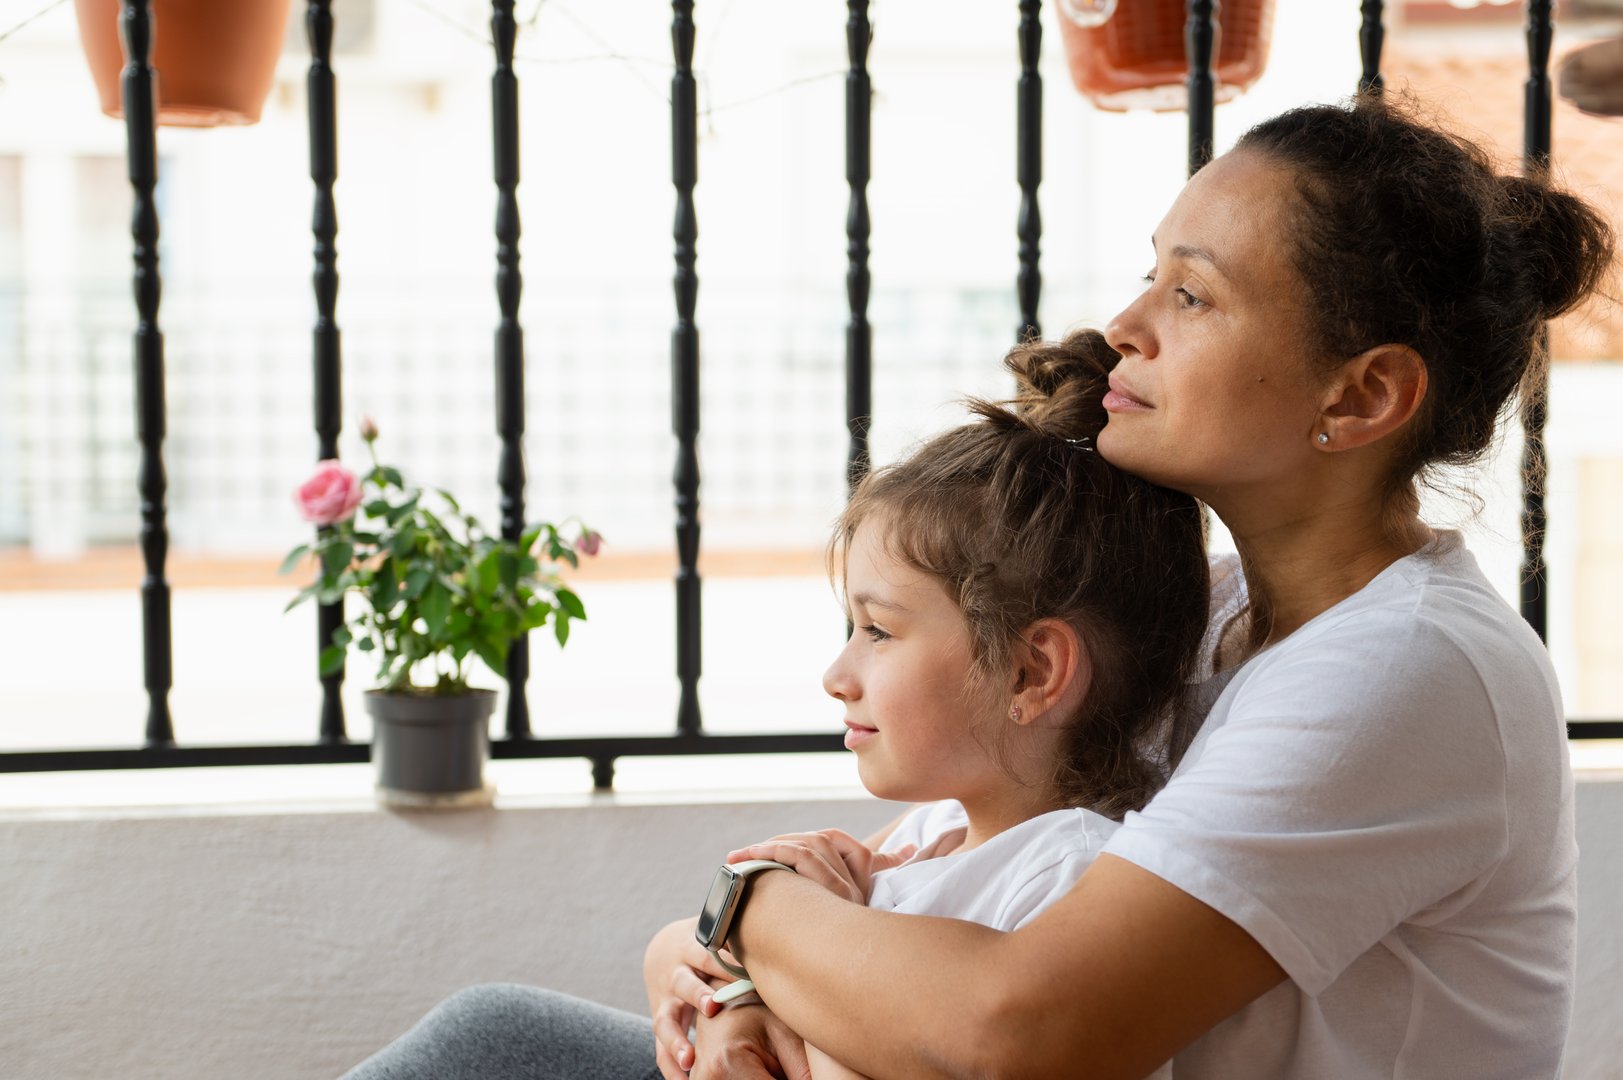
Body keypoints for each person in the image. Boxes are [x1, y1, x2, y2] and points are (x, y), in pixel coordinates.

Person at [343, 92, 1615, 1080]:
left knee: (493, 1046)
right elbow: (914, 900)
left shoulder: (1406, 666)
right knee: (497, 1036)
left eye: (1193, 293)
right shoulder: (1227, 616)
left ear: (1362, 395)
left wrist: (745, 909)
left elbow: (1017, 1034)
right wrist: (731, 972)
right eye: (1149, 271)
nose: (1127, 322)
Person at [341, 329, 1211, 1080]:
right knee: (489, 1027)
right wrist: (726, 997)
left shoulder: (1066, 882)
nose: (838, 674)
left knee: (490, 1035)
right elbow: (702, 947)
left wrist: (779, 1012)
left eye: (878, 630)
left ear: (1031, 673)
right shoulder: (927, 838)